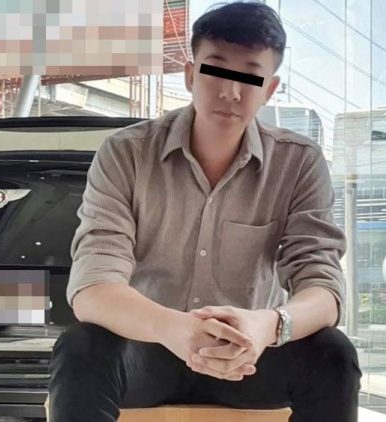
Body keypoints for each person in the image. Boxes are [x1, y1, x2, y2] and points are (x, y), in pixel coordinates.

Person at [48, 1, 362, 421]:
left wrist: (268, 325)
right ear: (191, 74)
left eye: (249, 76)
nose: (231, 91)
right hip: (150, 346)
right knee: (80, 348)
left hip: (249, 355)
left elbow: (323, 286)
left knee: (333, 353)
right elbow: (93, 286)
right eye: (216, 70)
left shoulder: (298, 162)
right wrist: (174, 328)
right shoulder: (126, 153)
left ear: (269, 89)